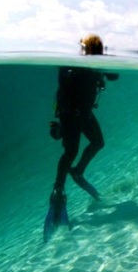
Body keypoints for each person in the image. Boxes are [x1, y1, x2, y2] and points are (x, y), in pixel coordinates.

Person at [44, 34, 119, 242]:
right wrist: (60, 120)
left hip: (84, 113)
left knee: (97, 143)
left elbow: (113, 75)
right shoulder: (72, 67)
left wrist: (106, 69)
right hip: (71, 115)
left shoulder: (95, 65)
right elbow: (62, 92)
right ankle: (58, 190)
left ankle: (77, 172)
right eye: (96, 51)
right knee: (71, 150)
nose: (98, 54)